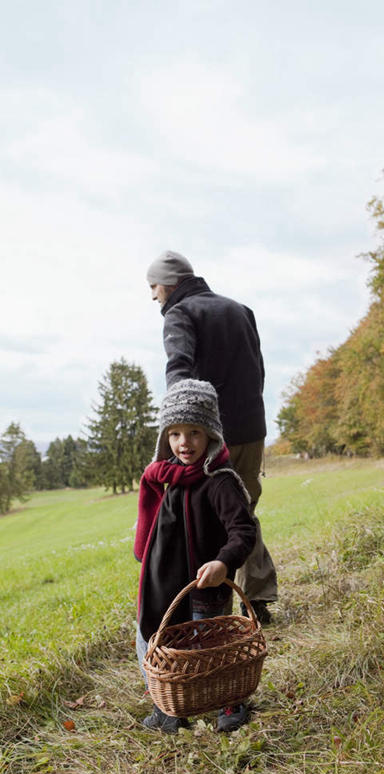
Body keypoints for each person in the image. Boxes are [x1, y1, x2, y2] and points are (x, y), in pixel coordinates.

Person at [146, 250, 277, 623]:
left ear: (167, 284)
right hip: (252, 427)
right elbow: (259, 370)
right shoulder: (240, 309)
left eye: (153, 287)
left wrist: (178, 423)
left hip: (210, 434)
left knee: (207, 518)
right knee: (242, 511)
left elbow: (178, 369)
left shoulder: (180, 313)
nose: (153, 296)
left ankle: (207, 612)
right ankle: (258, 598)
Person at [133, 379, 257, 733]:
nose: (184, 442)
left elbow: (243, 531)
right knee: (165, 643)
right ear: (165, 438)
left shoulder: (219, 481)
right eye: (174, 434)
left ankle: (229, 702)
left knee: (212, 648)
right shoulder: (169, 477)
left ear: (211, 435)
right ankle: (171, 707)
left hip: (205, 585)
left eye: (194, 432)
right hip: (170, 583)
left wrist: (223, 561)